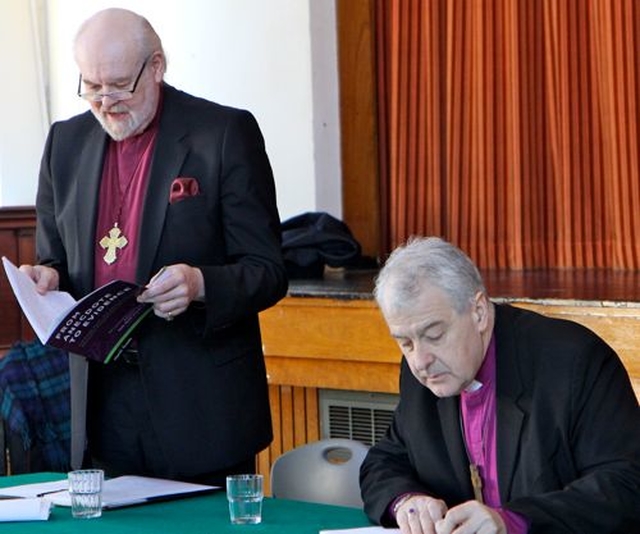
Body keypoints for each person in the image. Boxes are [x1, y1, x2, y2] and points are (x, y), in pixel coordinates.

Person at [19, 8, 288, 485]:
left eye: (119, 85)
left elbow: (267, 269)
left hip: (201, 406)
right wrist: (48, 277)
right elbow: (55, 258)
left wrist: (200, 283)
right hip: (101, 406)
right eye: (92, 86)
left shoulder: (222, 134)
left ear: (157, 67)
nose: (105, 102)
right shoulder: (65, 141)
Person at [360, 236, 640, 533]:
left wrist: (513, 522)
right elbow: (385, 461)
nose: (420, 360)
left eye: (434, 334)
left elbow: (626, 483)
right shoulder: (424, 373)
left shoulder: (574, 361)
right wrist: (406, 501)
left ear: (478, 312)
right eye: (405, 343)